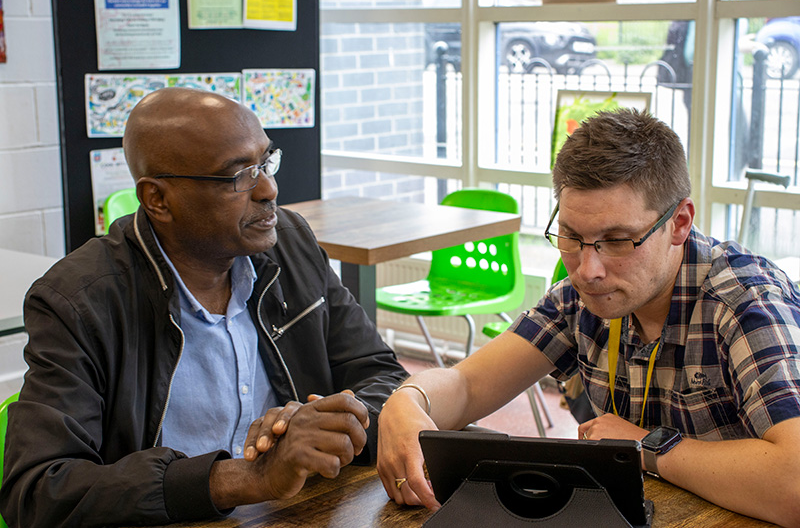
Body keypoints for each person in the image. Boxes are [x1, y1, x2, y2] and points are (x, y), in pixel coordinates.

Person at [0, 88, 408, 527]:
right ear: (158, 199)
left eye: (267, 163)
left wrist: (331, 428)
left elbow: (382, 375)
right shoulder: (79, 299)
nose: (269, 189)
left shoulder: (290, 243)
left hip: (294, 512)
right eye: (240, 176)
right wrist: (242, 479)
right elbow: (40, 490)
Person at [377, 109, 800, 527]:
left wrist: (647, 447)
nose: (587, 269)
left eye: (617, 241)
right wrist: (408, 401)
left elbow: (795, 484)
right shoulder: (581, 298)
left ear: (679, 223)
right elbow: (468, 385)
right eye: (571, 237)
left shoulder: (746, 305)